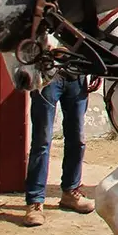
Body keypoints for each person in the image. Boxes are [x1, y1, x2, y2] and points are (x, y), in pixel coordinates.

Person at [22, 71, 95, 226]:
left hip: (77, 75)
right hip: (48, 76)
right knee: (42, 141)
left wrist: (96, 71)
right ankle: (35, 202)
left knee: (78, 139)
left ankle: (70, 192)